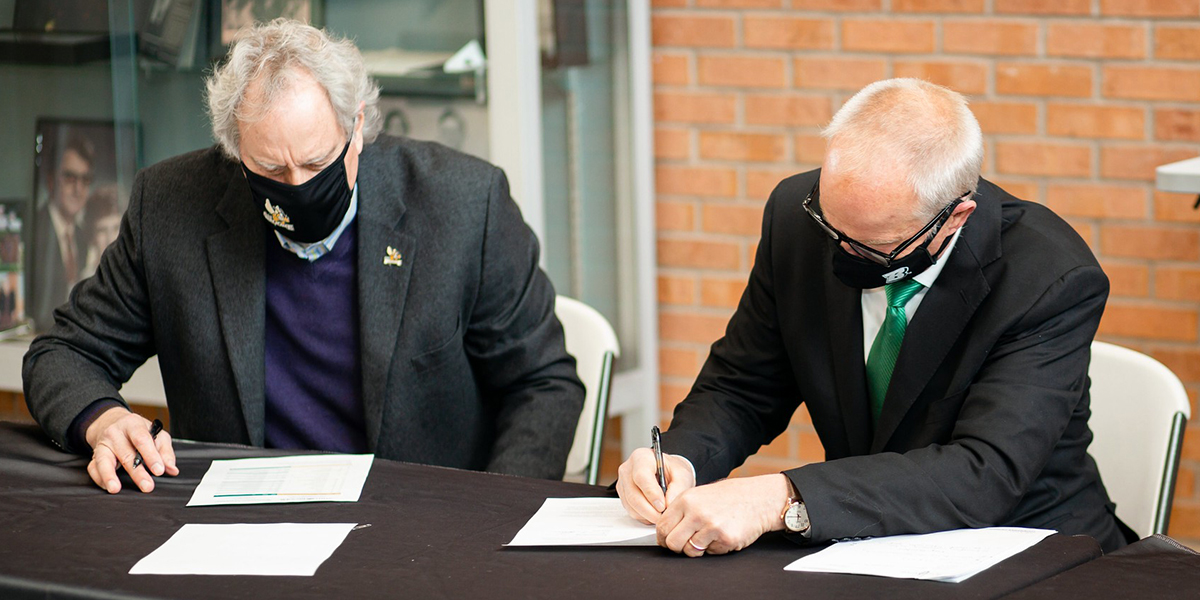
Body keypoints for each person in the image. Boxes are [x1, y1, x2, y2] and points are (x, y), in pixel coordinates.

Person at [23, 19, 584, 495]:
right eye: (269, 171)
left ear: (357, 126)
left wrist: (493, 514)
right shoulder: (171, 208)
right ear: (234, 151)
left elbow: (543, 384)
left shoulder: (463, 205)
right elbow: (63, 353)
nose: (295, 186)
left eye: (316, 164)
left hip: (418, 524)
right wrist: (103, 418)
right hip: (243, 520)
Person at [617, 78, 1130, 556]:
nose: (840, 252)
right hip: (869, 545)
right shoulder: (797, 220)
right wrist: (679, 461)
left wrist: (782, 496)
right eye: (831, 225)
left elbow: (983, 471)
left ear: (955, 216)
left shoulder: (1049, 276)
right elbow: (743, 385)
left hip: (1024, 545)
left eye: (874, 246)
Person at [30, 131, 94, 331]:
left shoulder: (85, 238)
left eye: (85, 180)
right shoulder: (32, 230)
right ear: (50, 180)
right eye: (69, 177)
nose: (78, 189)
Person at [79, 184, 123, 279]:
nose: (110, 239)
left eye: (116, 228)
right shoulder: (86, 282)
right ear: (91, 235)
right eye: (102, 231)